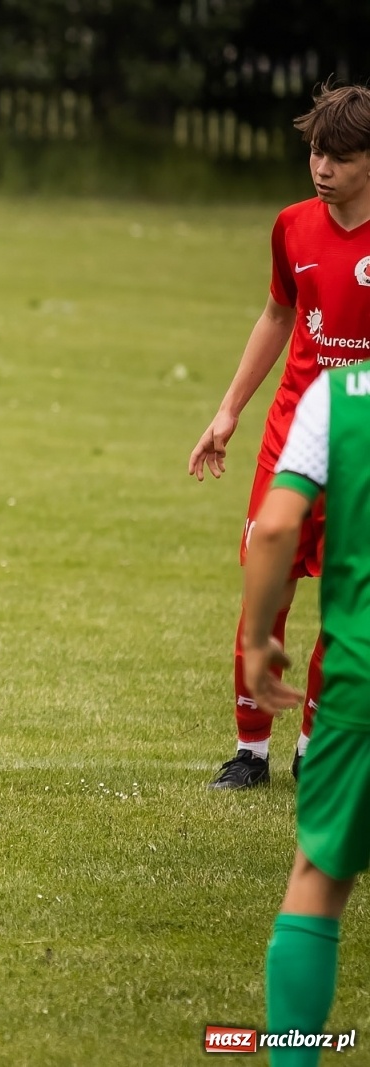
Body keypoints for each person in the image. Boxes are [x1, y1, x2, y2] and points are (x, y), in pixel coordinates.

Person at [189, 84, 370, 790]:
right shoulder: (292, 226)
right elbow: (276, 314)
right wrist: (229, 409)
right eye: (316, 152)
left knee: (349, 606)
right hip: (294, 439)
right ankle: (250, 750)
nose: (321, 167)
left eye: (340, 156)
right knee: (265, 590)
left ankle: (314, 744)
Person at [244, 362, 370, 1066]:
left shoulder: (342, 398)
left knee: (318, 878)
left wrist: (257, 638)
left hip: (359, 679)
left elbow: (276, 526)